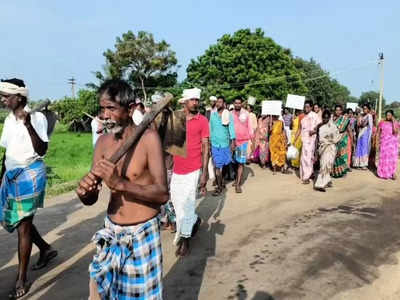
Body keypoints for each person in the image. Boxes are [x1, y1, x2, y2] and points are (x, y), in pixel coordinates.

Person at [76, 79, 169, 300]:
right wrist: (86, 193)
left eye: (111, 108)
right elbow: (91, 198)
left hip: (141, 235)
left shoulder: (149, 139)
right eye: (102, 108)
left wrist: (120, 184)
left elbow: (162, 194)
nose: (105, 115)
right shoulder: (102, 143)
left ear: (128, 110)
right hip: (110, 233)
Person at [0, 78, 57, 299]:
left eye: (6, 96)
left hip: (31, 173)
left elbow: (42, 149)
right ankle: (45, 249)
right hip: (12, 173)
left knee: (24, 224)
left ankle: (21, 279)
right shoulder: (8, 121)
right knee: (17, 220)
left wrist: (28, 124)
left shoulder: (37, 117)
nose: (3, 100)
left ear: (19, 97)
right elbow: (8, 153)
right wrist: (1, 176)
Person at [170, 88, 209, 256]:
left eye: (197, 100)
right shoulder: (176, 118)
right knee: (176, 202)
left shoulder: (202, 121)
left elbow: (206, 147)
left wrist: (205, 172)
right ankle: (193, 220)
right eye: (192, 100)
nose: (195, 103)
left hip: (194, 168)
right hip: (177, 169)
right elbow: (171, 144)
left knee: (188, 204)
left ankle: (185, 240)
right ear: (185, 102)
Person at [210, 96, 236, 196]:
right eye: (217, 102)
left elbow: (231, 128)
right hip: (215, 144)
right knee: (217, 166)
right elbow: (210, 129)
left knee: (225, 164)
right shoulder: (213, 115)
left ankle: (222, 181)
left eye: (220, 102)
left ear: (224, 103)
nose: (218, 104)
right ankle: (219, 187)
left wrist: (233, 142)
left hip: (225, 144)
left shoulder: (228, 115)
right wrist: (209, 143)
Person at [314, 110, 341, 192]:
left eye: (327, 118)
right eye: (324, 118)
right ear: (322, 118)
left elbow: (337, 139)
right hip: (322, 148)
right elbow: (317, 139)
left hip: (331, 148)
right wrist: (315, 151)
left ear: (329, 118)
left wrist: (339, 150)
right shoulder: (319, 126)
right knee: (323, 165)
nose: (325, 119)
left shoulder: (333, 126)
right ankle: (322, 183)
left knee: (328, 165)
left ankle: (324, 182)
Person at [295, 100, 320, 184]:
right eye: (305, 107)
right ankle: (307, 174)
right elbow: (299, 129)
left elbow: (320, 126)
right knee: (303, 158)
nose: (306, 108)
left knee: (308, 158)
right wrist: (294, 140)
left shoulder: (315, 116)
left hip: (312, 140)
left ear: (311, 107)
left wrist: (314, 131)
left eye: (308, 107)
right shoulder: (301, 116)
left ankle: (307, 177)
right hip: (304, 140)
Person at [231, 97, 254, 193]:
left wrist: (252, 141)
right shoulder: (229, 114)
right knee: (233, 162)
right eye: (236, 103)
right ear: (233, 104)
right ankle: (236, 178)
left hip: (243, 142)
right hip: (231, 141)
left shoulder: (246, 114)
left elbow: (250, 127)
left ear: (241, 104)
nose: (237, 105)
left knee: (240, 162)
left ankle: (238, 184)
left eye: (239, 103)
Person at [377, 110, 399, 179]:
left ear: (392, 116)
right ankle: (383, 174)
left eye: (389, 115)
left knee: (391, 159)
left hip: (392, 144)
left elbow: (396, 132)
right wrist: (377, 142)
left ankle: (392, 173)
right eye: (387, 115)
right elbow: (378, 132)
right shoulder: (382, 122)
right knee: (384, 158)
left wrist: (393, 122)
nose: (388, 116)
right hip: (384, 143)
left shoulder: (396, 123)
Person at [331, 105, 351, 178]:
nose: (338, 112)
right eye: (336, 110)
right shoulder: (332, 118)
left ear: (341, 111)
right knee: (334, 156)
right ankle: (335, 172)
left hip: (342, 139)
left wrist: (352, 140)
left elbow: (349, 130)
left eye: (339, 110)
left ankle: (342, 172)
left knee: (342, 156)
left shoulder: (345, 119)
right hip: (333, 139)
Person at [353, 104, 373, 170]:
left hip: (365, 133)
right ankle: (357, 163)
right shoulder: (361, 116)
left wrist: (369, 137)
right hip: (360, 133)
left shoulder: (369, 116)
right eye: (364, 108)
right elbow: (358, 125)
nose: (365, 110)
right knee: (359, 147)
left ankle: (363, 164)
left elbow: (370, 126)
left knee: (364, 148)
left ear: (368, 110)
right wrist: (359, 119)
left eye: (366, 109)